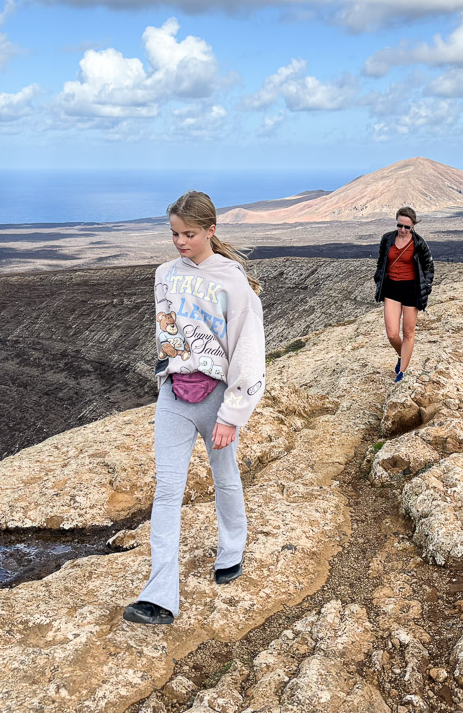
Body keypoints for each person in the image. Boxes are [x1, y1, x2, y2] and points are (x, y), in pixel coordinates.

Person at [123, 191, 266, 625]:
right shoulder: (164, 274)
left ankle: (231, 549)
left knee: (225, 477)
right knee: (167, 490)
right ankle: (160, 596)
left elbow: (248, 349)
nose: (180, 242)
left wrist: (233, 413)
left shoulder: (233, 282)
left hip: (219, 397)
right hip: (174, 396)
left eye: (189, 234)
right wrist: (173, 371)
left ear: (211, 230)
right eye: (174, 234)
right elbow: (167, 331)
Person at [373, 206, 434, 383]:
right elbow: (380, 263)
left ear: (413, 226)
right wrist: (379, 280)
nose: (402, 230)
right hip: (391, 289)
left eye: (407, 227)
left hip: (411, 290)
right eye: (400, 225)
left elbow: (429, 267)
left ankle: (402, 372)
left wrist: (425, 287)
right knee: (392, 334)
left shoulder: (419, 243)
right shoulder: (387, 239)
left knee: (408, 333)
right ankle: (402, 355)